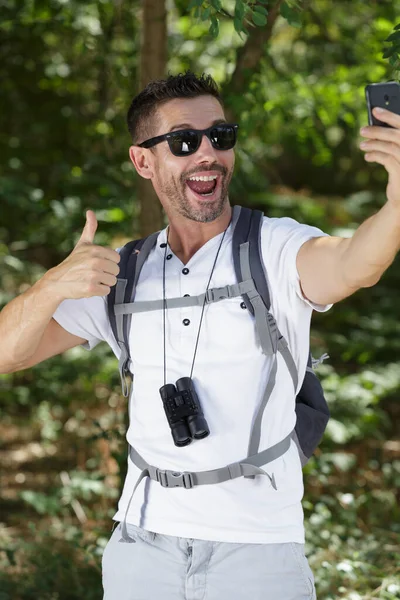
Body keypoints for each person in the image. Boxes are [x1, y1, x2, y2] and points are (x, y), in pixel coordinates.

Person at [1, 71, 400, 600]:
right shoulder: (123, 270)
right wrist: (50, 286)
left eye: (221, 136)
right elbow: (8, 354)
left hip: (256, 551)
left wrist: (397, 205)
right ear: (144, 161)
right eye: (185, 142)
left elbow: (354, 264)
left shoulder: (274, 247)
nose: (208, 154)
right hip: (142, 546)